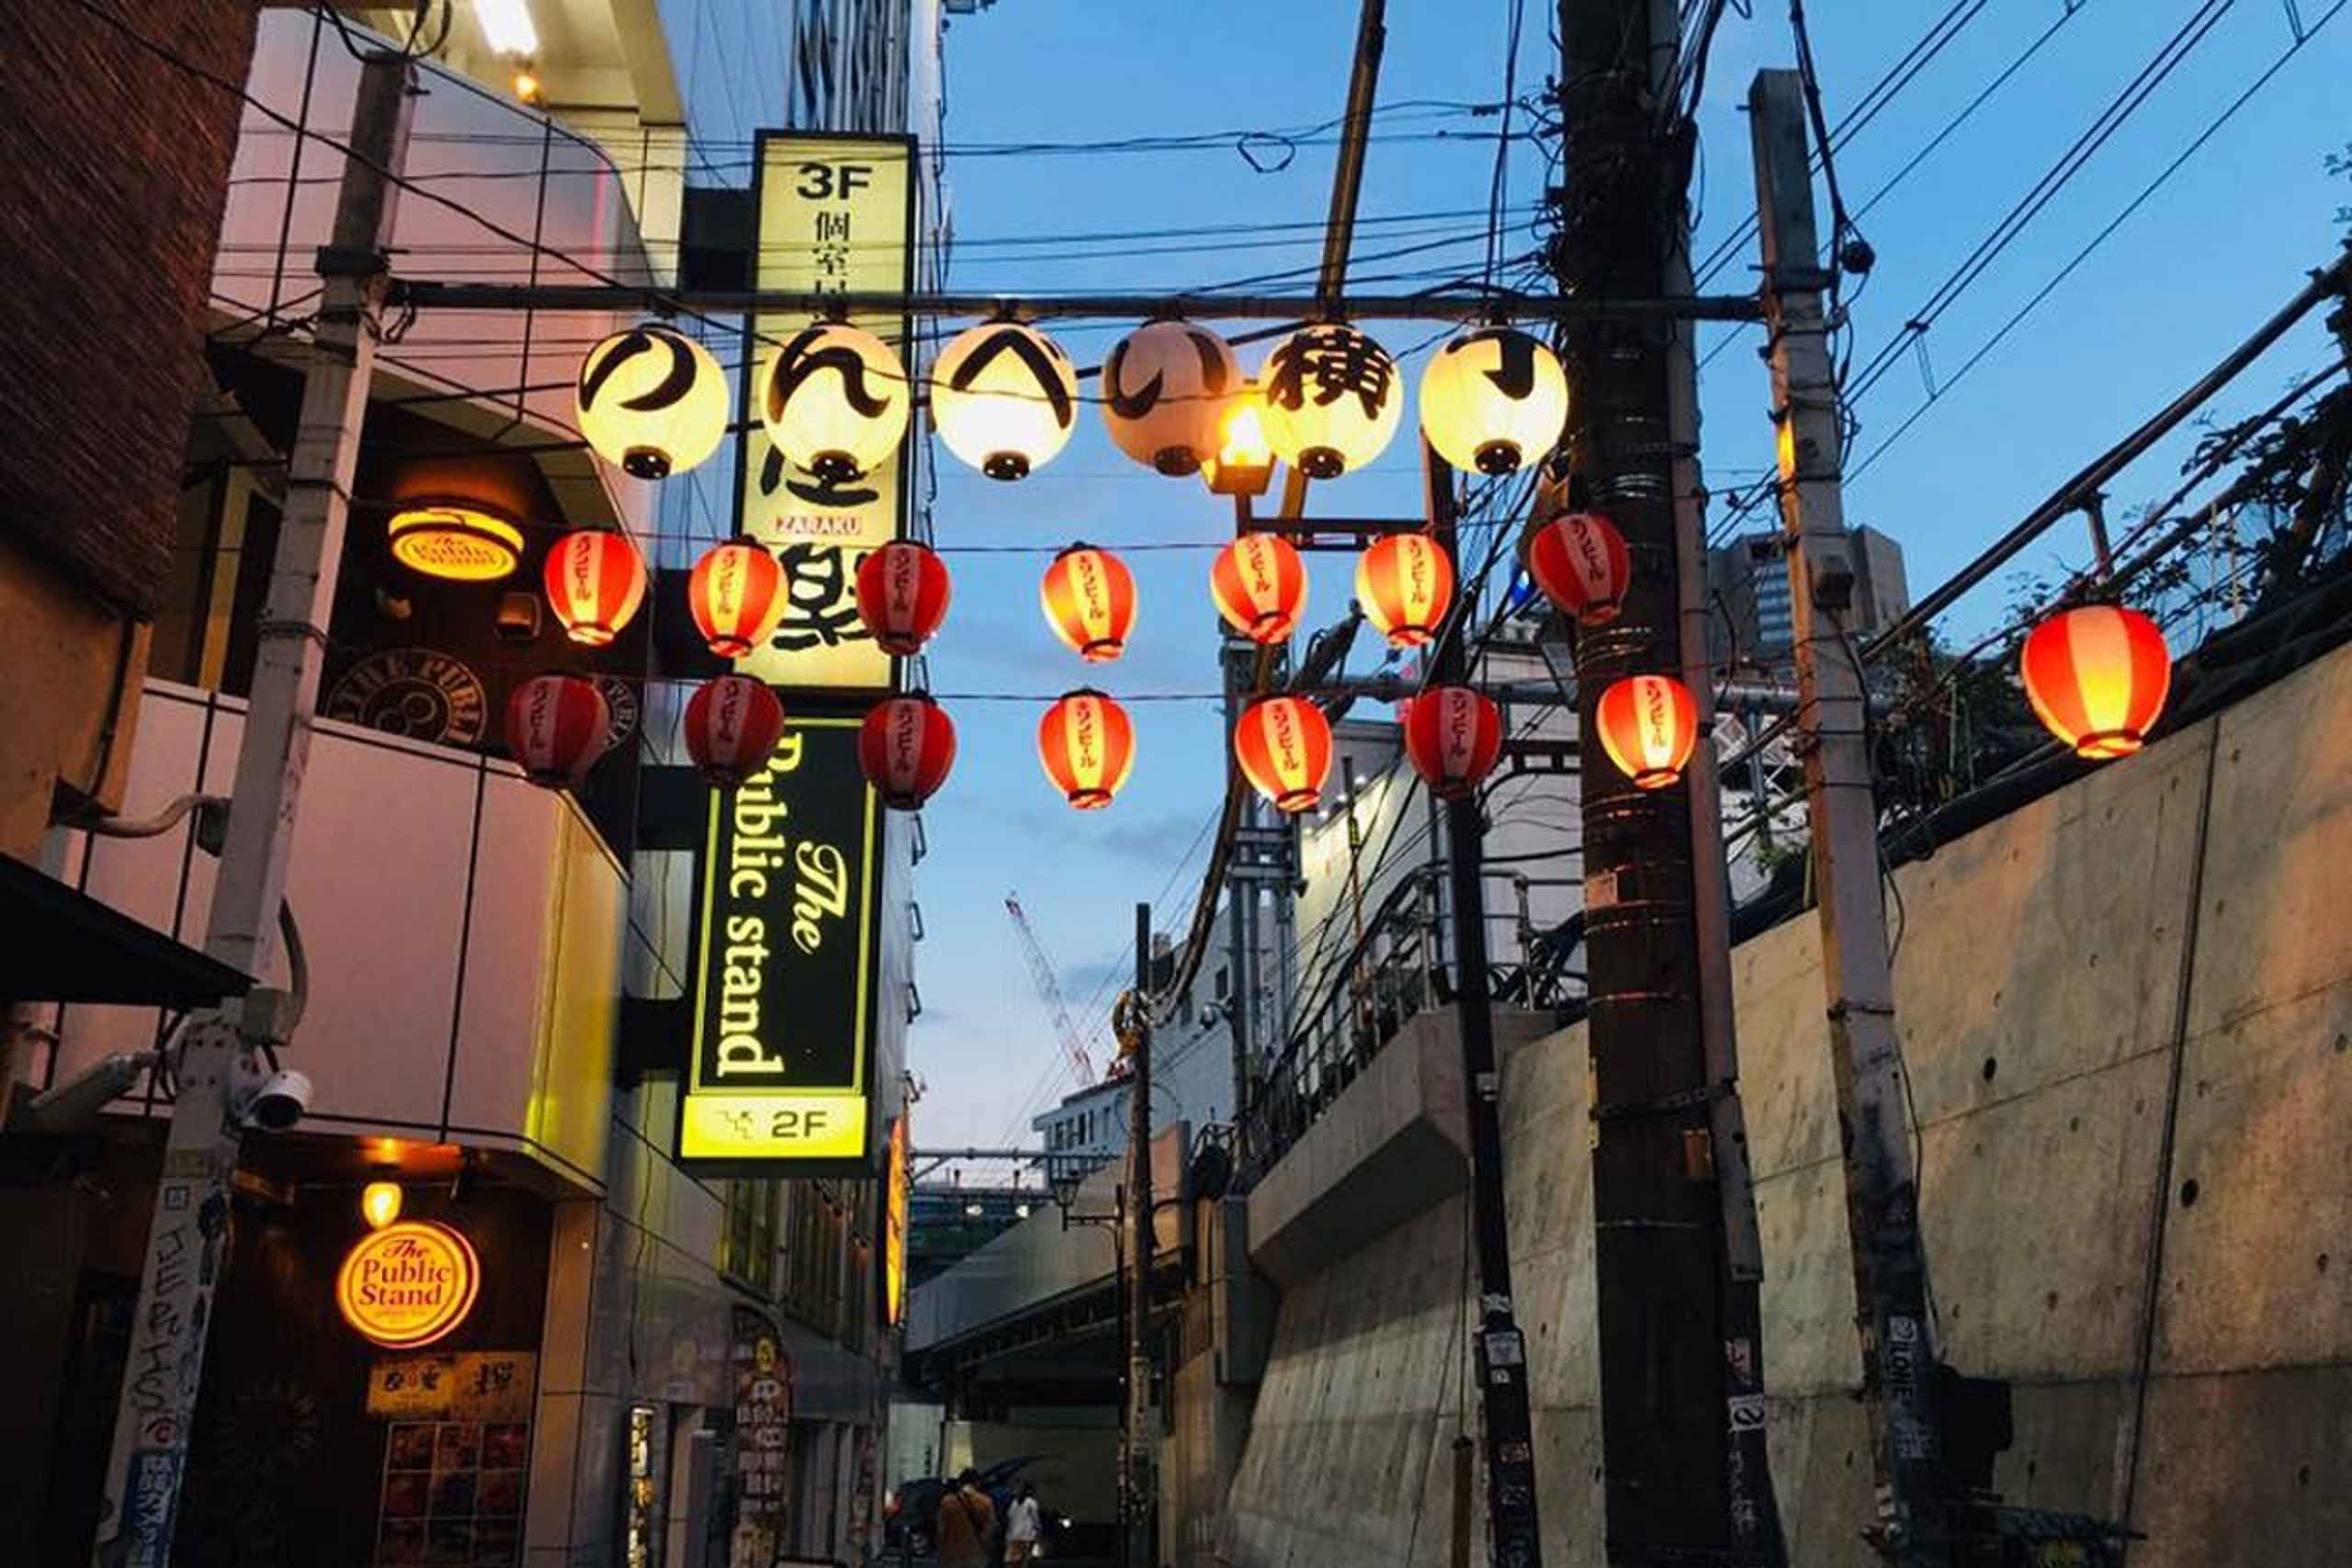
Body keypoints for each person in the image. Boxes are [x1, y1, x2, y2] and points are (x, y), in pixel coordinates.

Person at [935, 1468, 998, 1568]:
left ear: (960, 1483)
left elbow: (941, 1530)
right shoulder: (986, 1502)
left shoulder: (947, 1502)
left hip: (951, 1557)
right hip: (976, 1556)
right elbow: (990, 1530)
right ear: (977, 1483)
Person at [1004, 1483, 1044, 1564]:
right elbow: (1035, 1519)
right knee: (1024, 1561)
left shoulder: (1013, 1503)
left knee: (1012, 1562)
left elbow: (1009, 1517)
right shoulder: (1032, 1503)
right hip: (1025, 1537)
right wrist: (1039, 1530)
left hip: (1013, 1537)